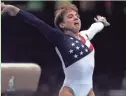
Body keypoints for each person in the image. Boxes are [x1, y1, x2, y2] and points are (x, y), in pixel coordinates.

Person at [1, 2, 110, 96]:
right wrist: (14, 10)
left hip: (88, 91)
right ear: (62, 24)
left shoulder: (85, 35)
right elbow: (36, 22)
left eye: (77, 16)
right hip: (70, 90)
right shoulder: (60, 38)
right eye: (70, 16)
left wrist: (101, 22)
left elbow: (95, 27)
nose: (76, 17)